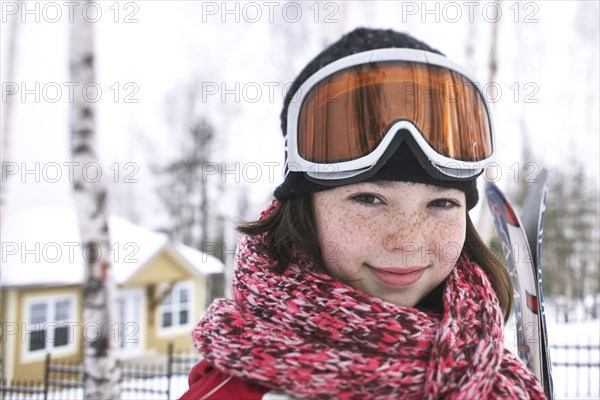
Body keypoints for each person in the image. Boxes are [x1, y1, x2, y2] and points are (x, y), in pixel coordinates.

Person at [181, 28, 547, 399]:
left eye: (442, 203)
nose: (407, 242)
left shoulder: (492, 372)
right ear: (304, 210)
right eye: (369, 200)